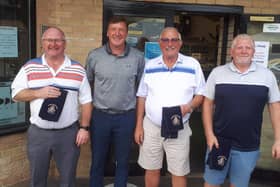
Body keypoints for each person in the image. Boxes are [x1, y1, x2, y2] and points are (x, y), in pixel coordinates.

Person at [11, 26, 92, 187]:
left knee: (68, 180)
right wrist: (38, 93)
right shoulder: (30, 67)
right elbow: (16, 94)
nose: (53, 44)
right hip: (38, 134)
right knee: (37, 179)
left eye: (57, 40)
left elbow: (87, 101)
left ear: (64, 43)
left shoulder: (77, 69)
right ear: (42, 43)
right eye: (49, 40)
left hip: (68, 134)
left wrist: (84, 128)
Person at [202, 34, 280, 187]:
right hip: (219, 142)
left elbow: (275, 106)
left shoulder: (267, 76)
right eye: (239, 47)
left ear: (253, 52)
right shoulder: (217, 73)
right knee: (211, 183)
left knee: (238, 185)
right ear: (232, 52)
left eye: (248, 47)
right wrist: (209, 135)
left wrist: (278, 139)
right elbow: (207, 104)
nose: (244, 51)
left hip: (248, 144)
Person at [134, 27, 206, 187]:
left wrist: (189, 107)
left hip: (178, 127)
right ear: (160, 43)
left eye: (174, 40)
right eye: (165, 40)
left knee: (178, 171)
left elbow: (201, 94)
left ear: (180, 43)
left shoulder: (192, 64)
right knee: (151, 169)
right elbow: (142, 96)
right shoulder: (150, 65)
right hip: (152, 127)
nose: (169, 43)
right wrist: (139, 125)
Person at [85, 16, 145, 187]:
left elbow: (142, 90)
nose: (117, 33)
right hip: (100, 116)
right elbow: (87, 85)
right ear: (107, 33)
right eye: (113, 29)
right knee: (98, 160)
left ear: (126, 33)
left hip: (126, 117)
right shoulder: (94, 56)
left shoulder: (138, 57)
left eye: (121, 30)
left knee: (123, 160)